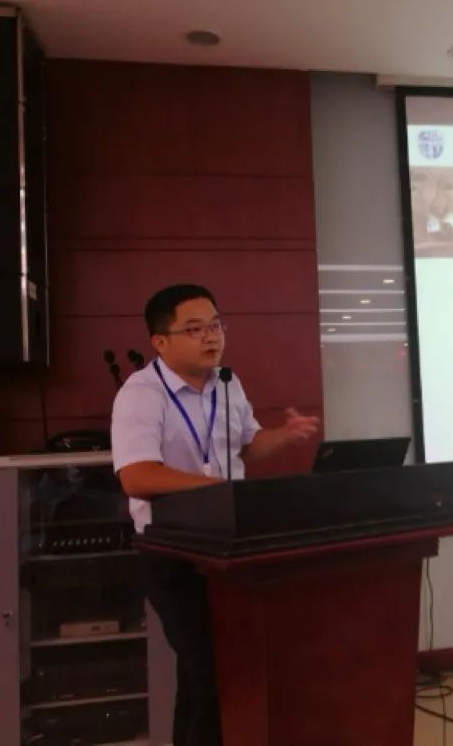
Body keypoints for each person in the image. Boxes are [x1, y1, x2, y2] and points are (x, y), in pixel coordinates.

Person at [110, 284, 319, 746]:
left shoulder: (227, 384)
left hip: (228, 548)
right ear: (160, 342)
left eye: (216, 325)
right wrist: (216, 488)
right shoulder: (140, 394)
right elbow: (137, 476)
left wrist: (284, 435)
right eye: (194, 329)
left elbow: (248, 444)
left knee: (201, 677)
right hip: (173, 554)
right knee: (214, 676)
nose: (211, 336)